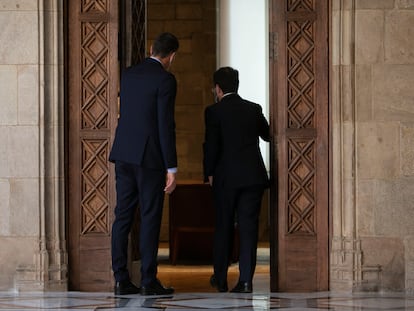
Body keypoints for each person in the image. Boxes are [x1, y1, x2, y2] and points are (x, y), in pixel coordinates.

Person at [109, 32, 179, 296]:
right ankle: (149, 280)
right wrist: (171, 168)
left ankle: (120, 278)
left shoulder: (128, 74)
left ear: (151, 48)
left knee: (122, 216)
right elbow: (165, 125)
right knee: (150, 217)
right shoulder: (166, 80)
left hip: (124, 154)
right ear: (171, 56)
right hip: (149, 159)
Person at [203, 67, 270, 293]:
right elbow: (268, 135)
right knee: (249, 228)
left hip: (226, 179)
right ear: (237, 85)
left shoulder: (214, 112)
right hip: (252, 177)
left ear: (218, 88)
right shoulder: (253, 109)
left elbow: (211, 146)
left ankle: (220, 277)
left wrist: (209, 173)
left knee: (223, 226)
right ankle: (246, 281)